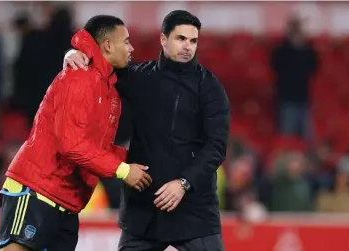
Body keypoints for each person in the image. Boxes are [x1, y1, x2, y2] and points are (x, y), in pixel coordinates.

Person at [64, 10, 230, 251]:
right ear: (163, 40)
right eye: (180, 39)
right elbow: (99, 65)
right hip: (144, 209)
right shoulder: (139, 77)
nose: (188, 47)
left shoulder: (210, 87)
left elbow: (216, 147)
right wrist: (74, 53)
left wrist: (183, 183)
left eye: (193, 41)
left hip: (194, 211)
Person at [0, 15, 152, 251]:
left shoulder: (110, 93)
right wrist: (123, 170)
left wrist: (139, 162)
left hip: (67, 201)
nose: (131, 48)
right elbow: (73, 145)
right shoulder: (79, 77)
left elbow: (96, 149)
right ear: (108, 45)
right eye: (126, 41)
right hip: (38, 188)